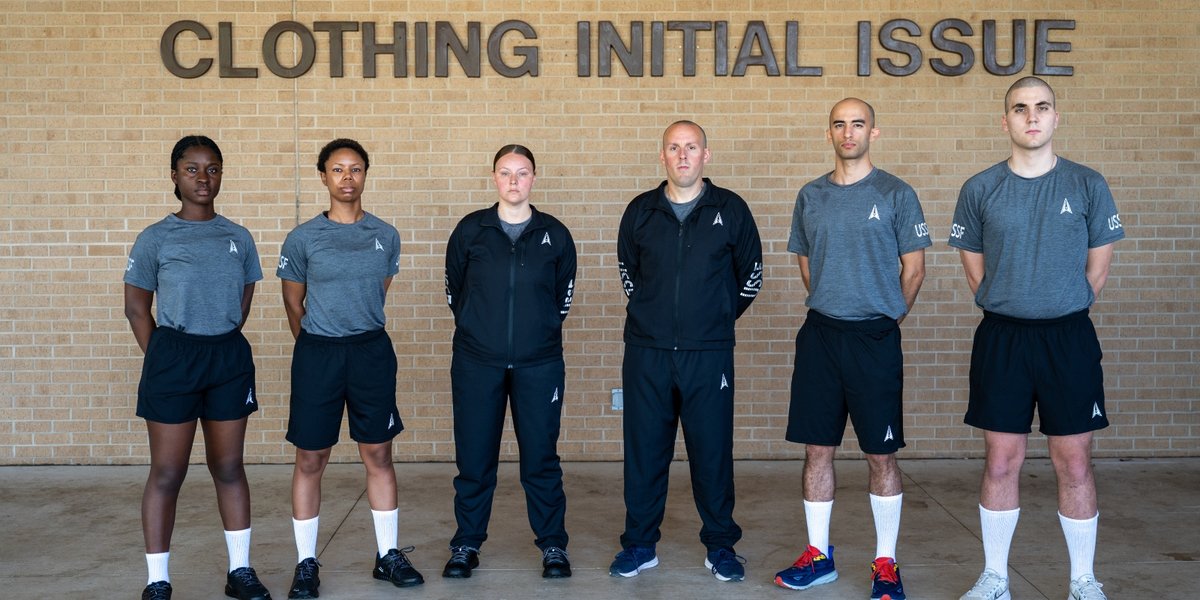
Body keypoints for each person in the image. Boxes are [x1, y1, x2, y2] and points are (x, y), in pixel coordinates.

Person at [951, 77, 1124, 600]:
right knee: (1001, 461)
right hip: (1003, 340)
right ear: (1004, 120)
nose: (1032, 116)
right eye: (1021, 108)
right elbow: (976, 273)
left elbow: (1096, 273)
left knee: (1075, 462)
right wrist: (1015, 300)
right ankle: (995, 578)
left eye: (1042, 107)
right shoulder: (980, 188)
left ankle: (1082, 581)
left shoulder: (1087, 184)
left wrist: (1056, 302)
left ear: (1055, 117)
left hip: (1067, 339)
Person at [773, 99, 929, 600]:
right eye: (839, 124)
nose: (848, 132)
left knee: (880, 454)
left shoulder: (896, 193)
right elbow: (806, 261)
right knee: (817, 449)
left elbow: (914, 269)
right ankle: (818, 555)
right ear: (829, 133)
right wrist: (832, 299)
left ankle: (886, 562)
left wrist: (886, 316)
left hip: (874, 339)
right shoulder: (811, 195)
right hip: (820, 336)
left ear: (872, 132)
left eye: (857, 124)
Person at [610, 120, 764, 583]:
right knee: (644, 452)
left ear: (705, 155)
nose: (682, 155)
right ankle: (640, 545)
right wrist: (655, 318)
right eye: (674, 148)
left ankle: (721, 546)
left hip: (708, 353)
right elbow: (630, 274)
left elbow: (750, 276)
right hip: (647, 351)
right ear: (662, 156)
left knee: (712, 452)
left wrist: (715, 318)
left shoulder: (731, 209)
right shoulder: (640, 211)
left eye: (691, 147)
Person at [124, 135, 271, 600]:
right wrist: (165, 357)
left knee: (228, 466)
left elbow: (241, 302)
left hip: (227, 357)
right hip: (173, 357)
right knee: (168, 472)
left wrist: (215, 336)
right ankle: (158, 580)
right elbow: (136, 309)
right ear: (174, 175)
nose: (203, 178)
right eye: (192, 169)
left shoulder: (238, 237)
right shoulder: (155, 238)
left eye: (212, 169)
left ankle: (240, 571)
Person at [278, 138, 424, 598]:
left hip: (370, 352)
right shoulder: (303, 238)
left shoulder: (386, 235)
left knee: (378, 454)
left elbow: (377, 291)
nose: (347, 177)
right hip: (318, 354)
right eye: (338, 169)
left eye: (356, 168)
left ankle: (387, 555)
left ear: (365, 175)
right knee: (311, 458)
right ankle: (306, 562)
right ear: (323, 176)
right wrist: (319, 344)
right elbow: (294, 304)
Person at [441, 144, 578, 579]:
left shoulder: (555, 234)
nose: (514, 181)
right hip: (477, 362)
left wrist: (536, 332)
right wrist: (481, 329)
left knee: (541, 459)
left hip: (539, 364)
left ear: (533, 178)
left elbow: (562, 298)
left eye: (522, 173)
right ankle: (466, 544)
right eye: (505, 172)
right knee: (475, 459)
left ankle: (553, 545)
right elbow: (455, 291)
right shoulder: (471, 231)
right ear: (494, 178)